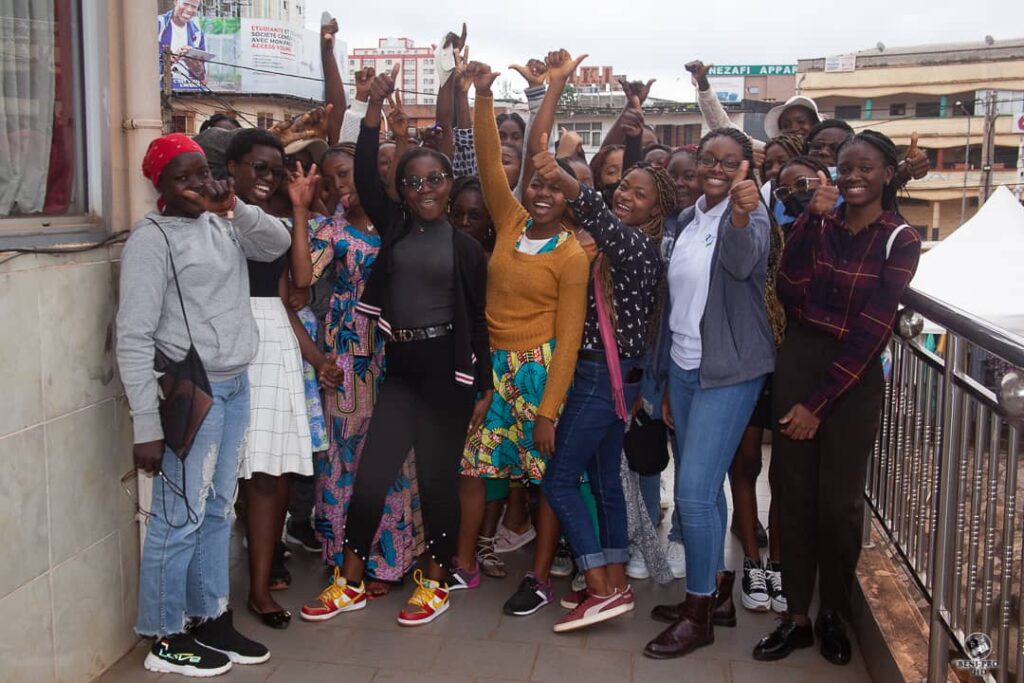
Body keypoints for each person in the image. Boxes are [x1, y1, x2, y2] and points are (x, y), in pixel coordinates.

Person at [308, 66, 492, 627]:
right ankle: (351, 581)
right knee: (372, 473)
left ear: (448, 182)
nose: (424, 190)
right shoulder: (393, 230)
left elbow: (478, 323)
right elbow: (365, 172)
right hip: (401, 369)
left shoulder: (464, 247)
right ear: (402, 193)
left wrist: (481, 386)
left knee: (436, 480)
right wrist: (371, 110)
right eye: (412, 183)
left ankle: (435, 582)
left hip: (447, 374)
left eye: (434, 180)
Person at [118, 134, 290, 676]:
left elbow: (276, 244)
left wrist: (234, 207)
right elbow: (133, 335)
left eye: (201, 172)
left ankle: (209, 615)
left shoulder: (221, 220)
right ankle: (165, 634)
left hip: (235, 383)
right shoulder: (152, 238)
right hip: (194, 394)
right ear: (160, 185)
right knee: (180, 515)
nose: (196, 184)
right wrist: (146, 423)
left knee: (217, 510)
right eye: (182, 177)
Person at [754, 131, 921, 666]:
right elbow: (789, 289)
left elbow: (874, 327)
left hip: (854, 373)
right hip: (801, 356)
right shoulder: (819, 223)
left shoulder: (900, 239)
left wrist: (818, 404)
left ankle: (832, 612)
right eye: (844, 167)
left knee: (839, 505)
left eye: (865, 168)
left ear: (887, 174)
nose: (852, 176)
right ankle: (796, 616)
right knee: (791, 490)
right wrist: (809, 221)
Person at [454, 56, 590, 609]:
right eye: (536, 184)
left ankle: (536, 578)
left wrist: (549, 411)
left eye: (555, 189)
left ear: (569, 198)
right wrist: (483, 97)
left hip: (539, 370)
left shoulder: (573, 254)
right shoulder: (509, 222)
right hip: (492, 366)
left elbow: (571, 336)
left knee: (545, 478)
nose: (540, 193)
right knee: (473, 466)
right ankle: (463, 564)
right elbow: (490, 163)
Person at [534, 114, 672, 632]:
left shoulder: (635, 248)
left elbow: (590, 206)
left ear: (656, 209)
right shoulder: (623, 249)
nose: (624, 198)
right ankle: (616, 583)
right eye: (625, 189)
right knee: (603, 482)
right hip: (618, 381)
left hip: (598, 381)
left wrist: (562, 175)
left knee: (558, 480)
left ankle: (596, 585)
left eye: (638, 196)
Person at [644, 127, 774, 659]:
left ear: (746, 168)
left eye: (730, 162)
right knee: (709, 489)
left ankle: (697, 612)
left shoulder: (752, 216)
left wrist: (743, 213)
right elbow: (674, 304)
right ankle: (717, 591)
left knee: (693, 493)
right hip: (685, 368)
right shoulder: (686, 217)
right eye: (708, 159)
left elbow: (744, 264)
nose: (717, 169)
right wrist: (670, 385)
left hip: (730, 371)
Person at [225, 128, 319, 629]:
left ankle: (260, 589)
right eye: (257, 168)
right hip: (219, 337)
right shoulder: (203, 212)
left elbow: (300, 284)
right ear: (233, 167)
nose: (266, 178)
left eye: (274, 170)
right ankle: (213, 591)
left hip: (270, 339)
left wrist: (301, 208)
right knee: (227, 473)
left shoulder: (276, 224)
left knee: (267, 473)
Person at [157, 0, 206, 87]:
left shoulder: (198, 33)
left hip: (186, 92)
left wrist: (196, 67)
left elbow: (201, 75)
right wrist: (170, 60)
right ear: (175, 2)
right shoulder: (158, 24)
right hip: (159, 91)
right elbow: (143, 64)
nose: (189, 9)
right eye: (185, 4)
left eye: (194, 6)